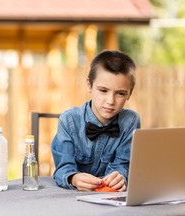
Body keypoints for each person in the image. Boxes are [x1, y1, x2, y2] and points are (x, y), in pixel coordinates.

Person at [51, 50, 140, 191]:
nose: (110, 101)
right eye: (103, 91)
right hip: (73, 199)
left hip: (111, 198)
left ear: (130, 93)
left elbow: (123, 165)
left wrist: (120, 177)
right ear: (89, 85)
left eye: (120, 93)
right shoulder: (69, 120)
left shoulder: (130, 121)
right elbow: (63, 168)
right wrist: (74, 178)